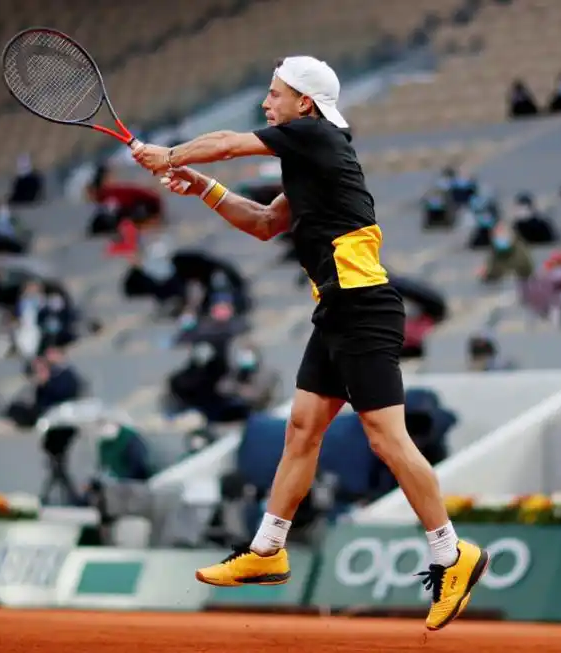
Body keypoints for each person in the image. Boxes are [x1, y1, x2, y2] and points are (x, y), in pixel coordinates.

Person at [131, 55, 487, 631]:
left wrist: (168, 155)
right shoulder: (310, 161)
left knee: (386, 438)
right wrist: (198, 186)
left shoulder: (316, 134)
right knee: (301, 428)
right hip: (336, 309)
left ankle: (452, 553)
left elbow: (223, 142)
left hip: (363, 306)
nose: (267, 104)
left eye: (275, 94)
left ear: (305, 102)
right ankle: (268, 550)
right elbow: (264, 223)